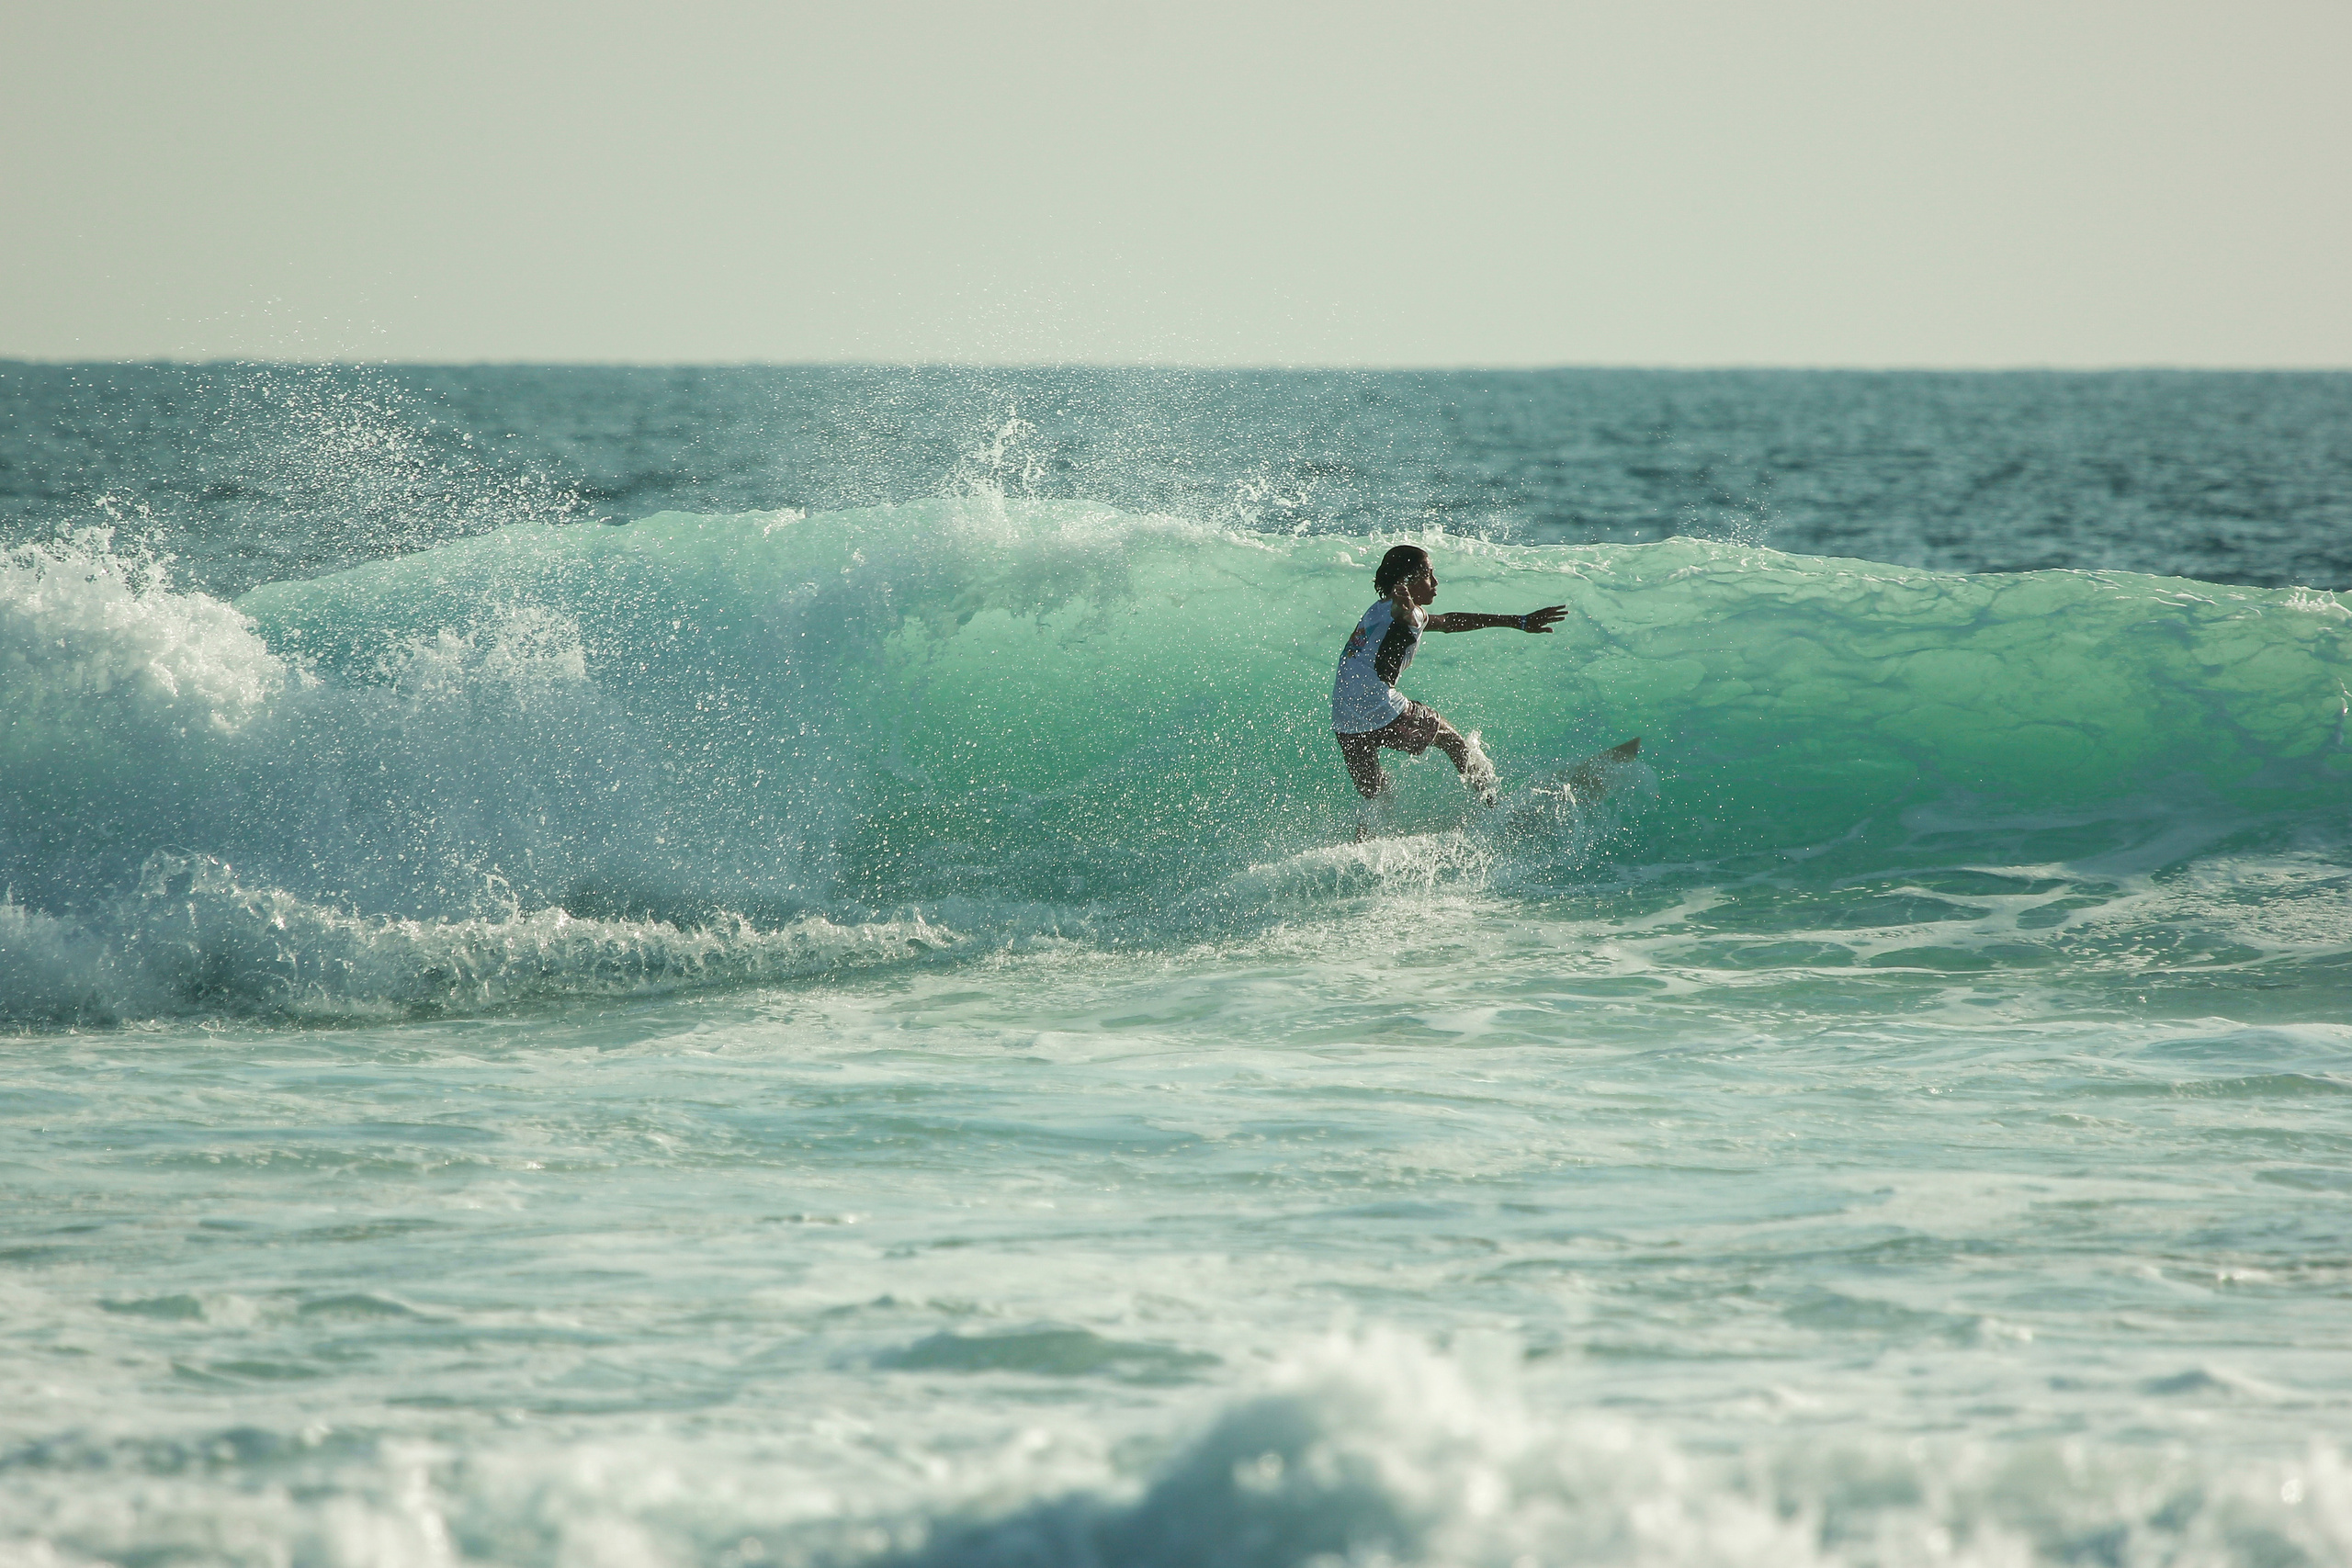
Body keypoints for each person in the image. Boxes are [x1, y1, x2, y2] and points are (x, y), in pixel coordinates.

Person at [1331, 544, 1567, 817]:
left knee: (1375, 795)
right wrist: (1404, 608)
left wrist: (1518, 621)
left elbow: (1447, 622)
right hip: (1380, 708)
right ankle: (1496, 808)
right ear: (1407, 581)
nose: (1435, 582)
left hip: (1345, 720)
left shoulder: (1376, 611)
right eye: (1429, 575)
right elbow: (1406, 615)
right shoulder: (1406, 611)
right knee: (1452, 740)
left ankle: (1367, 842)